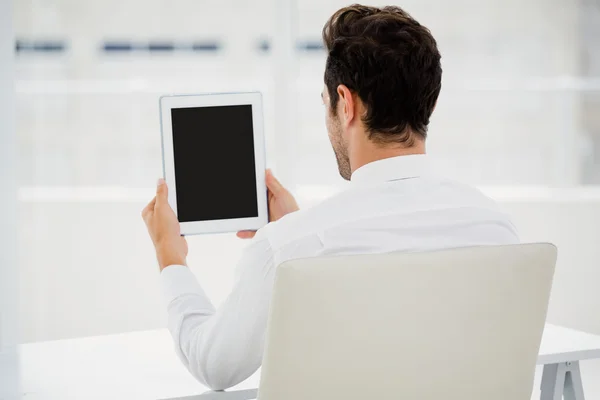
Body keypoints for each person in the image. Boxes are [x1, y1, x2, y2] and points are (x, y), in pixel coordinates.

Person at [142, 4, 519, 391]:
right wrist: (296, 229)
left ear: (346, 102)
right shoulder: (495, 227)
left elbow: (213, 365)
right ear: (431, 103)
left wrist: (170, 256)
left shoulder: (289, 249)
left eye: (326, 102)